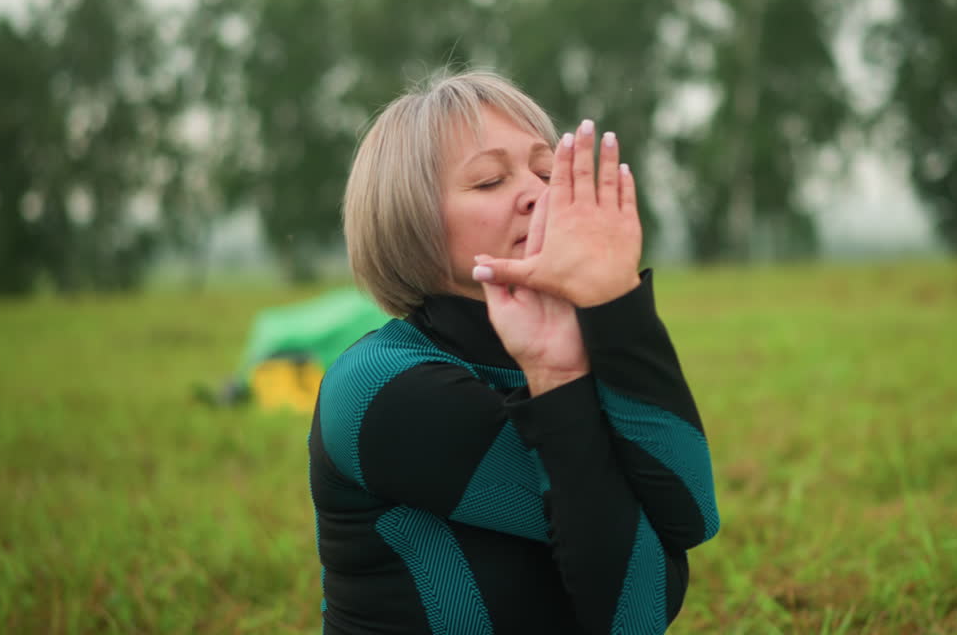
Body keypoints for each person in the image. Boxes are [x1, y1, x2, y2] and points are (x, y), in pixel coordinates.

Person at [308, 70, 720, 634]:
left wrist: (615, 298)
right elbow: (641, 605)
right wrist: (559, 378)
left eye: (547, 171)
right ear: (410, 219)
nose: (540, 193)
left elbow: (692, 511)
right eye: (488, 182)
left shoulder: (569, 346)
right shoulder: (380, 388)